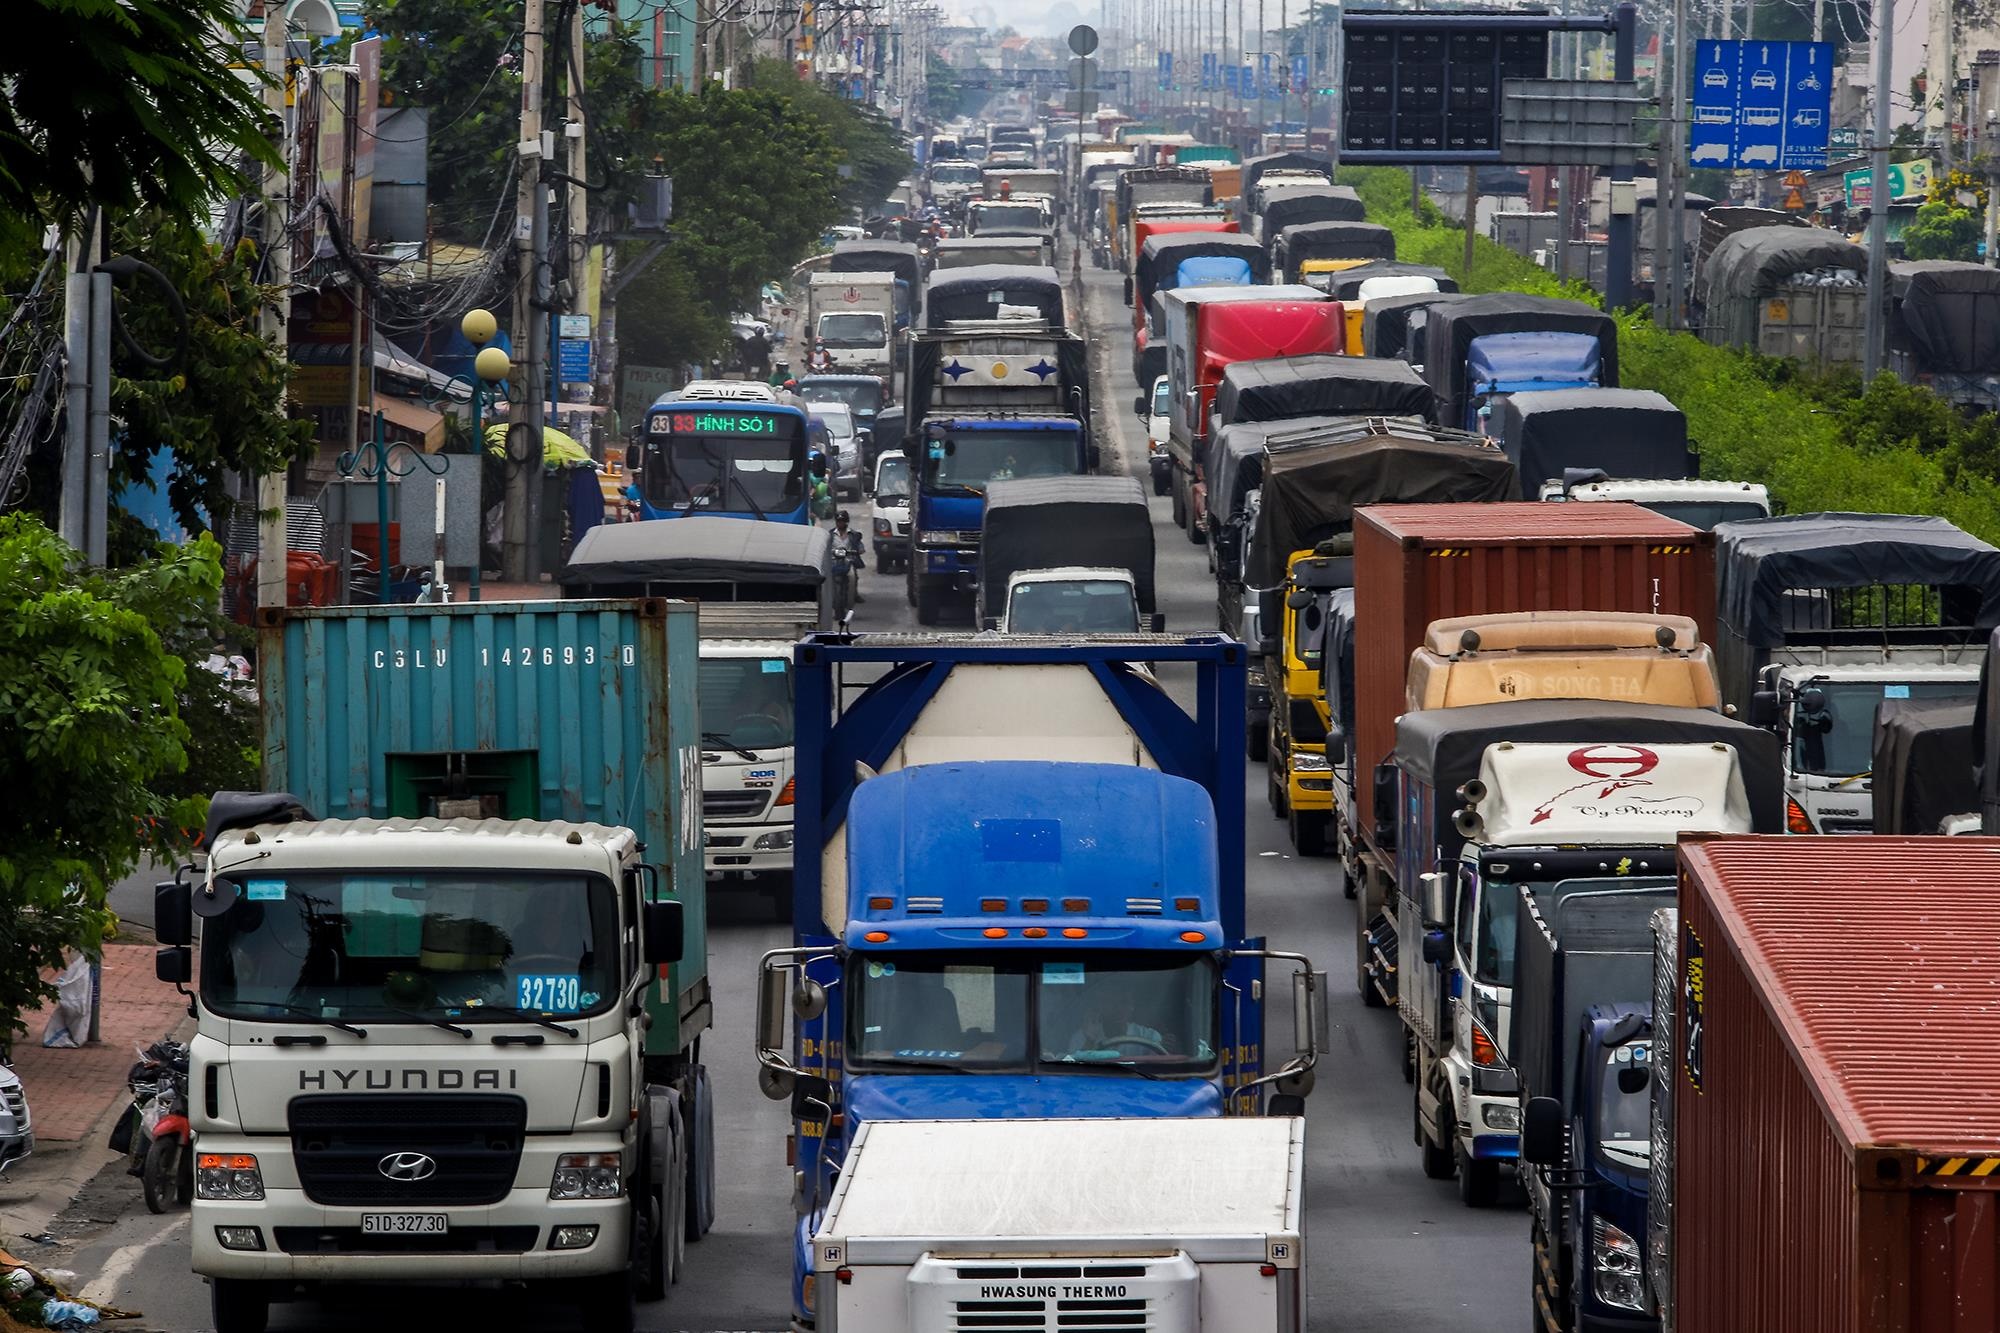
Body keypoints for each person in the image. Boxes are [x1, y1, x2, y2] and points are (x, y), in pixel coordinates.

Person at [832, 510, 865, 604]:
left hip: (848, 561)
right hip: (834, 561)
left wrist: (857, 551)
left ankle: (854, 594)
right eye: (838, 521)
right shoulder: (830, 535)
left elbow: (860, 548)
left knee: (853, 576)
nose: (840, 523)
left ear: (846, 521)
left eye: (842, 521)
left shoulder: (854, 535)